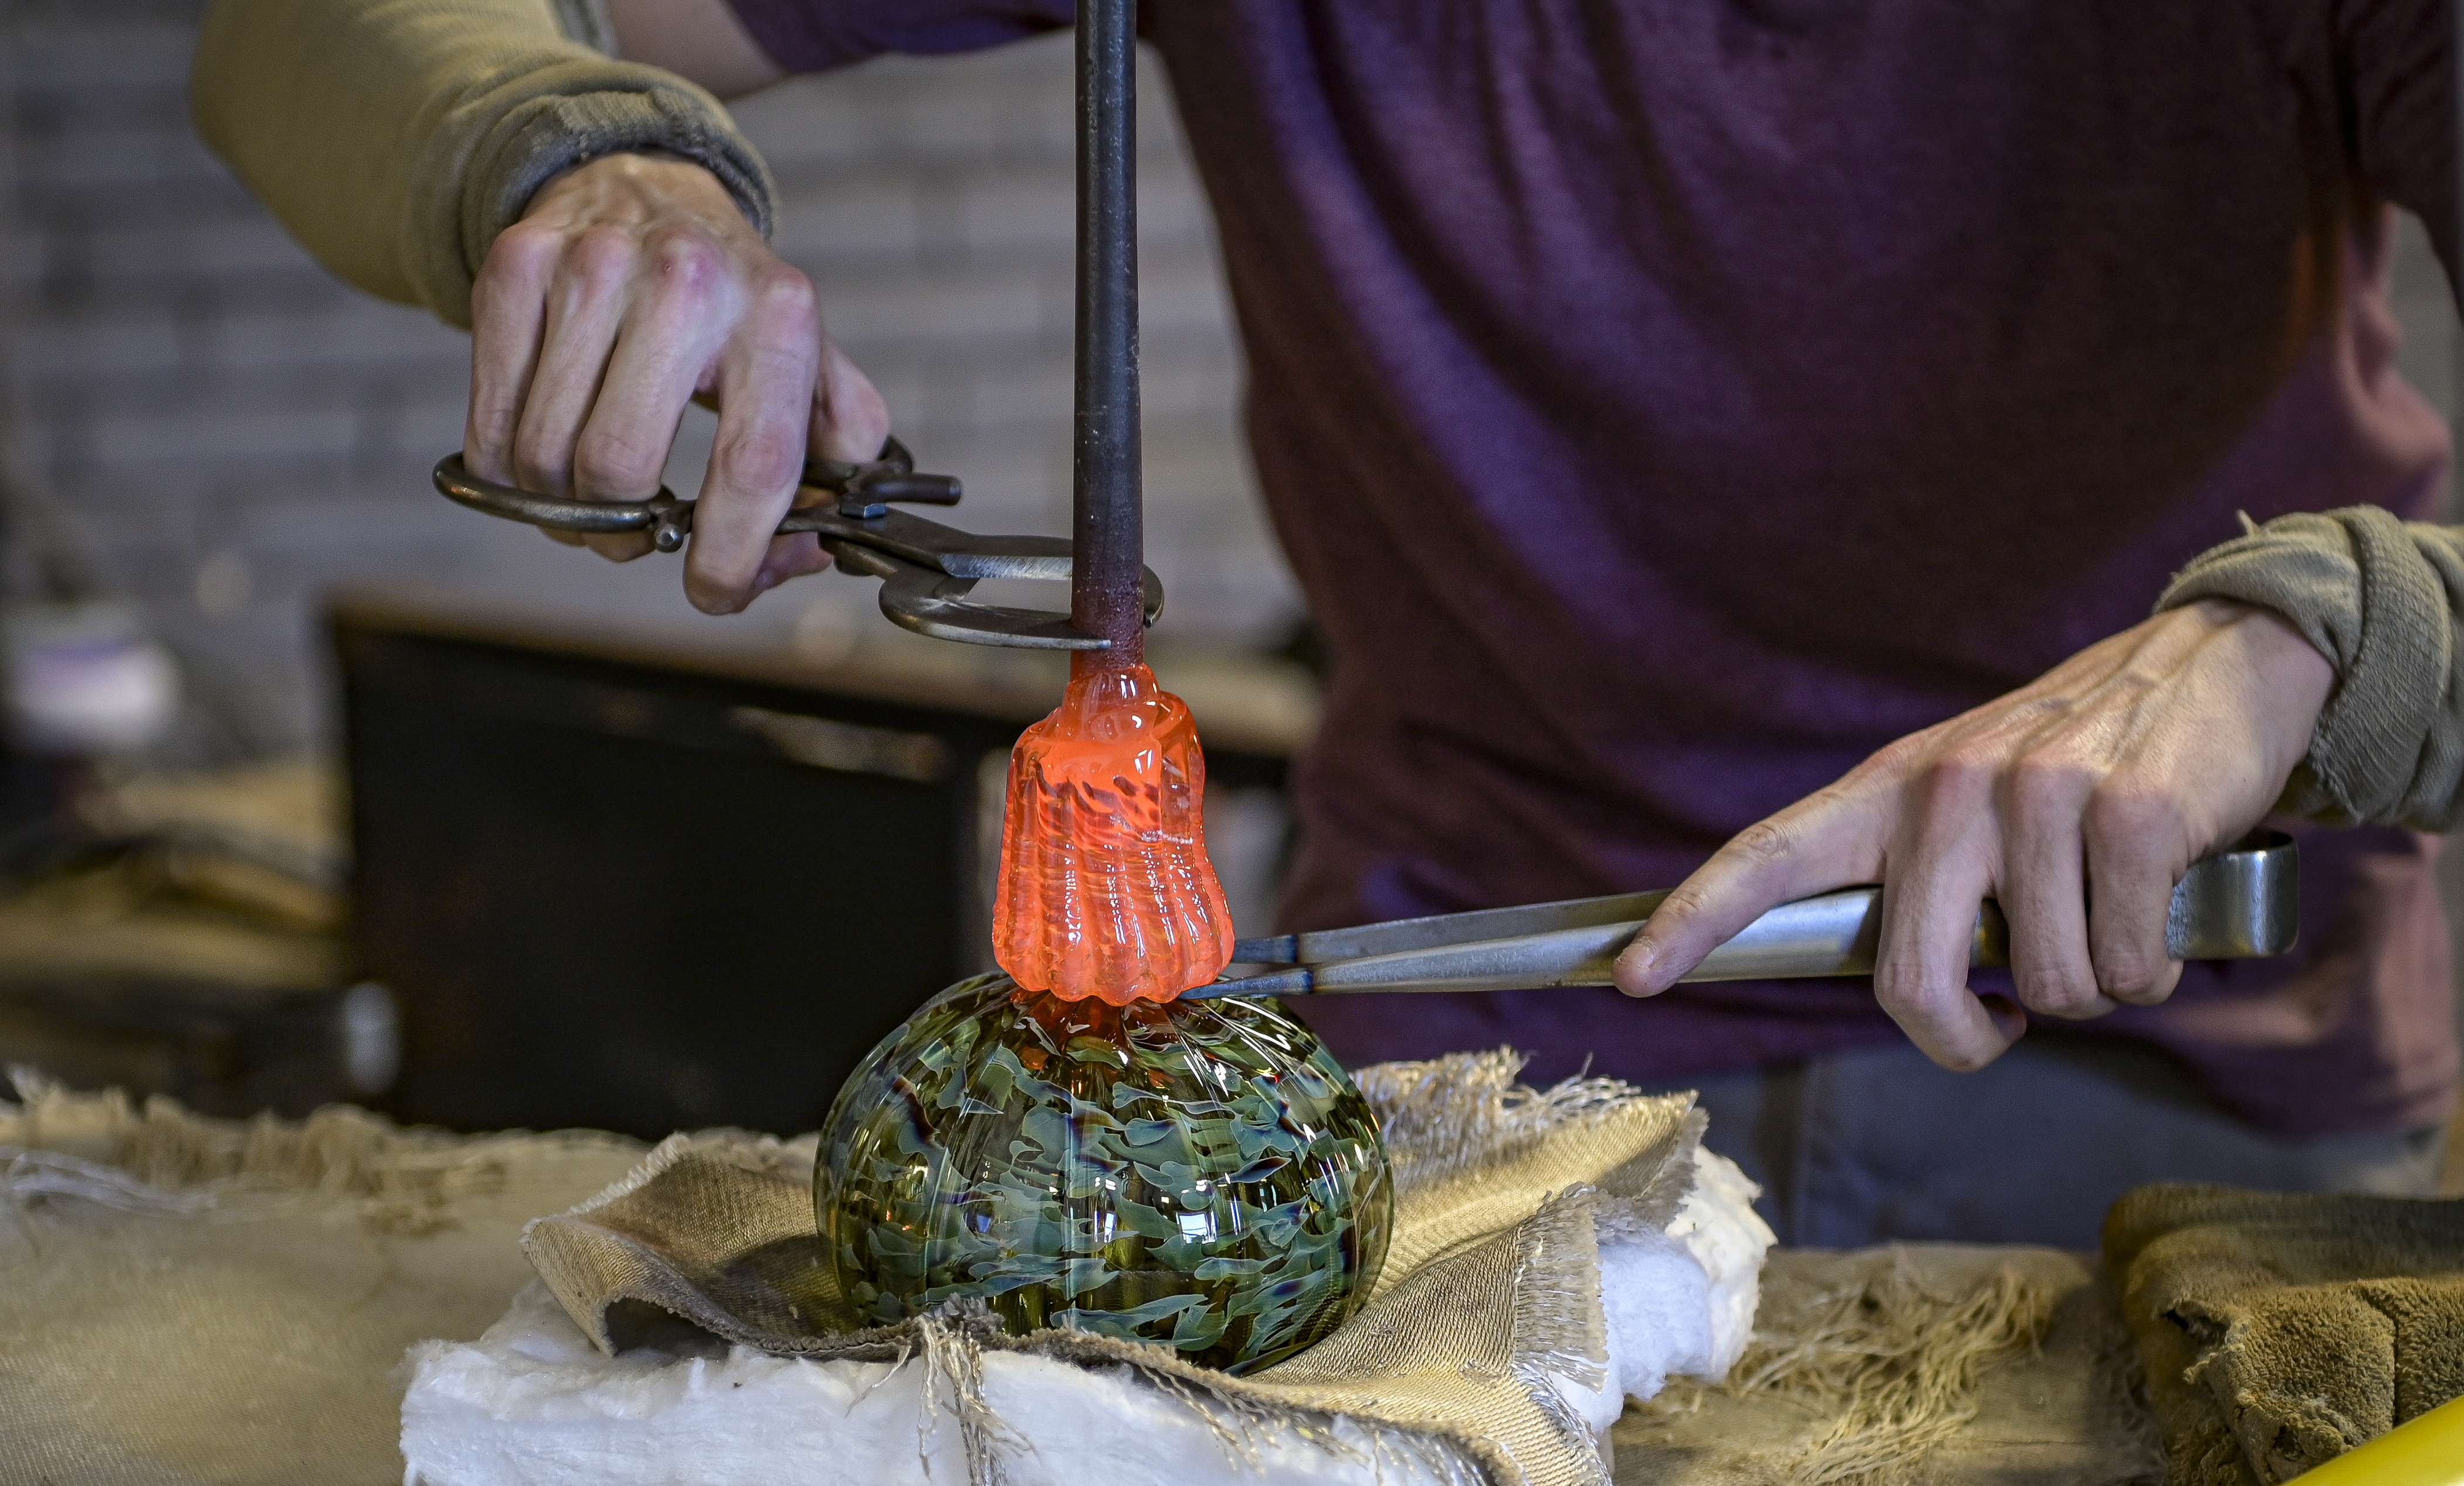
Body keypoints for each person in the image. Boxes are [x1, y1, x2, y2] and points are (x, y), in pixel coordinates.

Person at [195, 0, 2464, 1246]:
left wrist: (2316, 641)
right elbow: (298, 28)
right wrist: (565, 152)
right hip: (1462, 1089)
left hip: (2172, 1098)